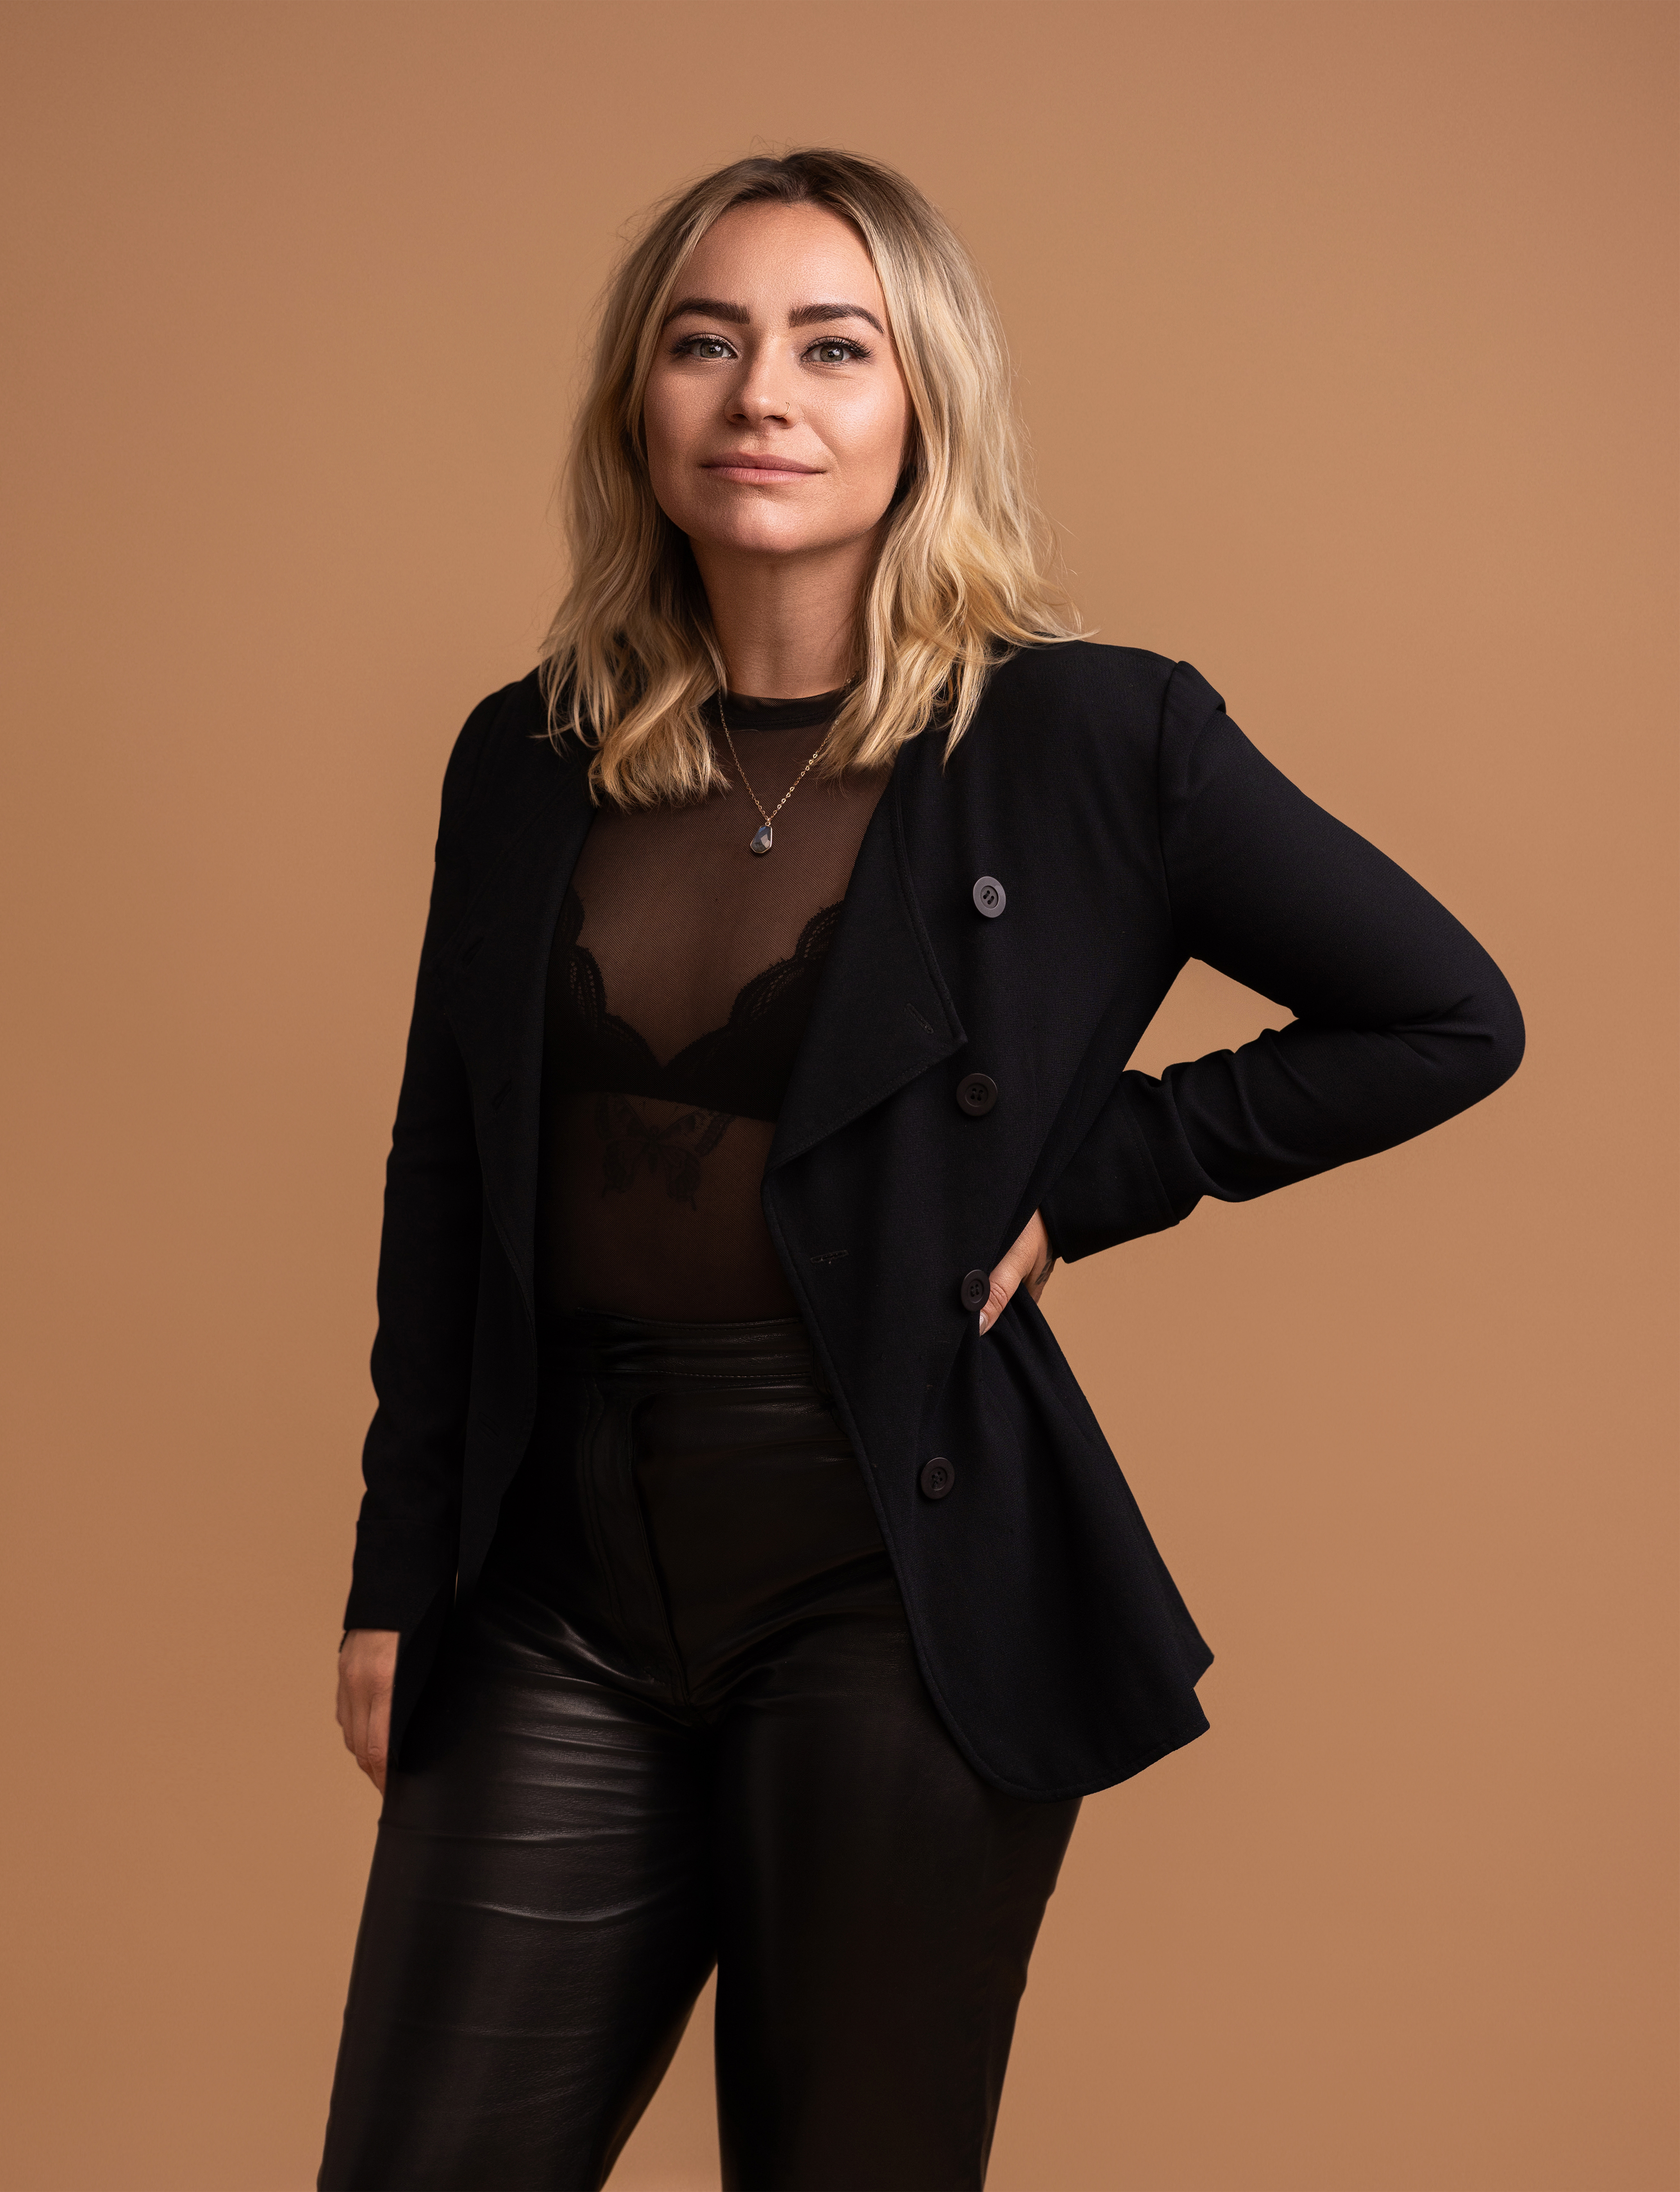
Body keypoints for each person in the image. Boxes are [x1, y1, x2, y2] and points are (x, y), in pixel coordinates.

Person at [316, 149, 1523, 2191]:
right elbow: (449, 1176)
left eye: (831, 348)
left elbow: (1447, 1015)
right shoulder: (524, 753)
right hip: (547, 1573)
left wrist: (1092, 1177)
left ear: (921, 405)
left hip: (888, 1566)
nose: (759, 397)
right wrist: (391, 1571)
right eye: (705, 342)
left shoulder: (1092, 741)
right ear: (639, 401)